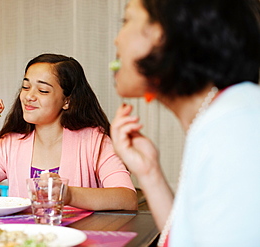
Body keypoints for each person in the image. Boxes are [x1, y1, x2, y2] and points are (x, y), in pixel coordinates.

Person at [110, 0, 260, 246]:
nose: (117, 40)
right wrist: (149, 173)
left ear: (163, 34)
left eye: (126, 21)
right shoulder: (222, 116)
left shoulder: (234, 127)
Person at [0, 53, 138, 211]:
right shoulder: (10, 143)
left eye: (43, 91)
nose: (29, 96)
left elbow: (127, 198)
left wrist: (67, 194)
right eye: (26, 87)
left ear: (67, 101)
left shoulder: (95, 141)